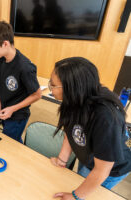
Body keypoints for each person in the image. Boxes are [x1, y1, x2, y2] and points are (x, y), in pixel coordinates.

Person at [49, 57, 131, 200]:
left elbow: (102, 170)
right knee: (79, 179)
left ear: (71, 88)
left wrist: (76, 196)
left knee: (89, 194)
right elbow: (71, 129)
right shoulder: (75, 99)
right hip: (90, 156)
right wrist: (62, 159)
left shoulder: (106, 117)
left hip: (111, 168)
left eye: (53, 85)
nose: (50, 88)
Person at [0, 21, 42, 143]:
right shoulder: (1, 59)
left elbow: (37, 95)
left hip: (18, 115)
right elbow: (0, 81)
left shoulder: (25, 67)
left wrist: (12, 109)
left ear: (5, 44)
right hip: (5, 110)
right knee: (13, 140)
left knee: (8, 143)